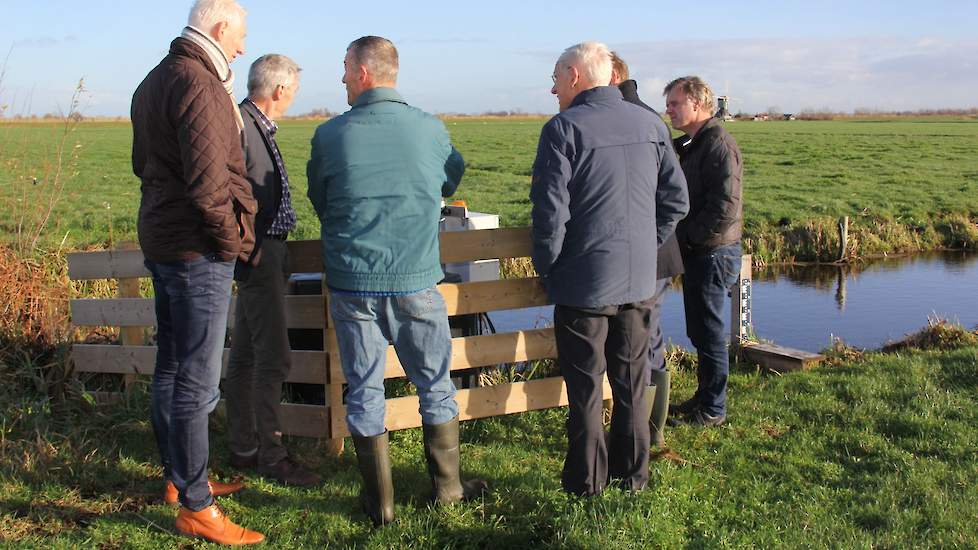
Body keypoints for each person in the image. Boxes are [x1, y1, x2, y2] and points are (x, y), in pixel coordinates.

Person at [306, 35, 487, 526]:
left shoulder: (329, 135)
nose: (341, 76)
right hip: (415, 277)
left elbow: (319, 198)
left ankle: (379, 503)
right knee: (435, 383)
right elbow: (450, 181)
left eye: (345, 67)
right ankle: (448, 489)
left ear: (364, 72)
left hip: (352, 280)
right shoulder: (429, 129)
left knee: (364, 388)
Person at [131, 0, 263, 544]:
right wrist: (233, 244)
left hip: (164, 238)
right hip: (196, 249)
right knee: (197, 378)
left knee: (171, 365)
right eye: (240, 36)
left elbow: (144, 164)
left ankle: (179, 478)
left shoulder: (155, 78)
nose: (242, 47)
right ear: (219, 27)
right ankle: (196, 504)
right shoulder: (201, 83)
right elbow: (211, 185)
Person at [531, 42, 688, 496]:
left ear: (576, 77)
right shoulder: (650, 123)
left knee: (584, 392)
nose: (553, 86)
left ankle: (586, 483)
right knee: (631, 385)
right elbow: (676, 201)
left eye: (556, 77)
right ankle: (634, 477)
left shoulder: (562, 129)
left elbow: (549, 215)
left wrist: (550, 268)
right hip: (640, 282)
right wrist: (645, 247)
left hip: (583, 286)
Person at [224, 54, 321, 487]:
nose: (294, 97)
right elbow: (242, 198)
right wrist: (252, 250)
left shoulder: (253, 125)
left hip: (260, 254)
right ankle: (271, 453)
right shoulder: (247, 128)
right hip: (260, 254)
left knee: (245, 354)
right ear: (279, 89)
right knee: (273, 359)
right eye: (294, 89)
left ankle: (243, 445)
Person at [609, 52, 687, 451]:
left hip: (649, 255)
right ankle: (647, 431)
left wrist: (649, 240)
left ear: (611, 76)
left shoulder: (631, 118)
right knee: (647, 337)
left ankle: (648, 432)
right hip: (653, 250)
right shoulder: (646, 116)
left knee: (645, 340)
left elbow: (672, 196)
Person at [663, 76, 743, 427]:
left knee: (709, 332)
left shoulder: (717, 145)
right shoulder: (694, 143)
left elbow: (724, 206)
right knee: (699, 330)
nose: (669, 110)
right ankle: (704, 397)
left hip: (713, 253)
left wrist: (691, 239)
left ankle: (713, 409)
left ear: (698, 104)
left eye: (675, 104)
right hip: (700, 251)